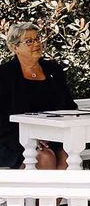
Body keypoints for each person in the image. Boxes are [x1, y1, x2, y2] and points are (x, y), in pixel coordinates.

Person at [0, 22, 76, 170]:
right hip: (14, 139)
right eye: (29, 41)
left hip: (53, 136)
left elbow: (69, 106)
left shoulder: (54, 70)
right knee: (44, 157)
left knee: (67, 158)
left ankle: (58, 195)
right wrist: (31, 137)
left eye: (37, 39)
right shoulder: (4, 75)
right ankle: (41, 194)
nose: (36, 43)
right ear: (15, 47)